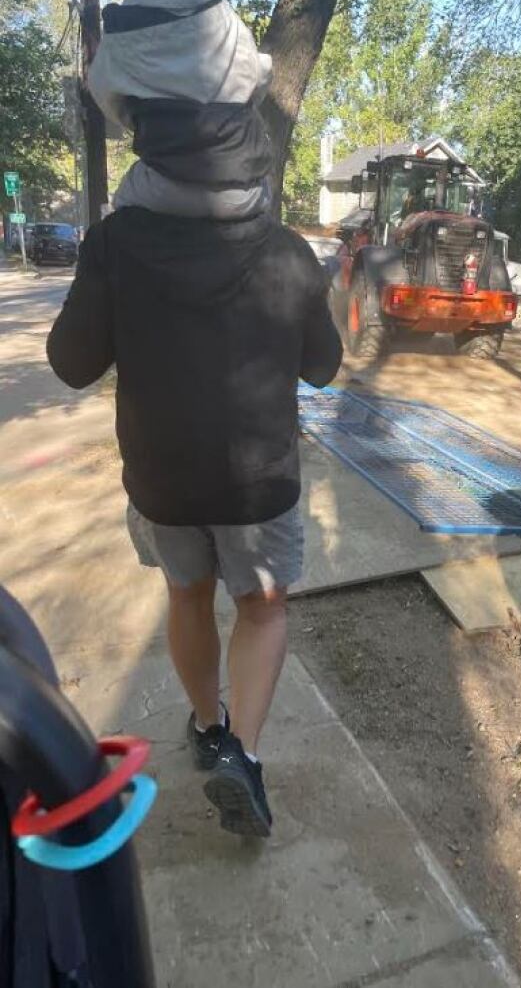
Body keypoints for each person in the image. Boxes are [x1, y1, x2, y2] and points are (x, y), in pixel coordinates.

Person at [46, 206, 343, 838]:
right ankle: (244, 753)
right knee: (262, 610)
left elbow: (71, 363)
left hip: (164, 477)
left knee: (187, 594)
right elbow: (322, 366)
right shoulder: (285, 248)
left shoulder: (115, 239)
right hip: (258, 482)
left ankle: (209, 728)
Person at [88, 0, 273, 219]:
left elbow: (105, 96)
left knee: (110, 227)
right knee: (268, 201)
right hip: (244, 195)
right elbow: (259, 76)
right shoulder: (230, 22)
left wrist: (143, 116)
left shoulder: (121, 33)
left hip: (159, 190)